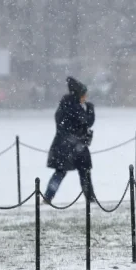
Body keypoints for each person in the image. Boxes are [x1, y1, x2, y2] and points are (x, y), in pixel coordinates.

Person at [44, 76, 96, 204]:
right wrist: (90, 109)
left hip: (63, 146)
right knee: (84, 173)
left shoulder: (64, 106)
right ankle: (90, 198)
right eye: (84, 95)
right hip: (75, 147)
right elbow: (87, 122)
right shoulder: (75, 108)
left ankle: (48, 197)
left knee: (60, 173)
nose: (85, 98)